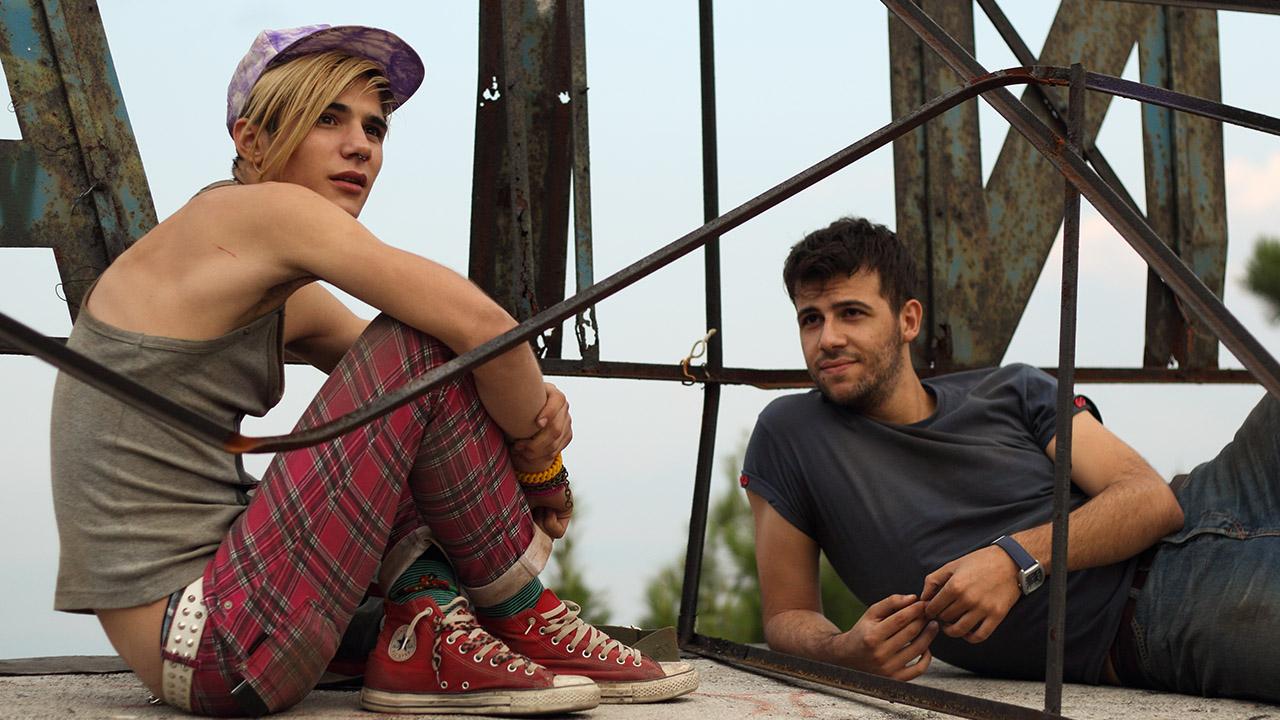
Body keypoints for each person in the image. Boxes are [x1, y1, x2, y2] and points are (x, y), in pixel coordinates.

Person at [49, 24, 697, 717]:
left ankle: (432, 632)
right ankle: (522, 613)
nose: (360, 145)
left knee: (434, 363)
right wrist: (541, 463)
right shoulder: (257, 214)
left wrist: (526, 409)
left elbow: (450, 394)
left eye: (374, 127)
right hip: (213, 640)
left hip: (237, 624)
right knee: (424, 333)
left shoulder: (255, 269)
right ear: (252, 141)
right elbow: (477, 333)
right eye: (327, 118)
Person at [741, 216, 1280, 703]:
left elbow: (1151, 500)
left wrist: (1013, 561)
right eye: (810, 320)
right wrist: (843, 652)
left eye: (851, 313)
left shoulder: (1014, 388)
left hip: (1223, 492)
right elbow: (787, 613)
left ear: (908, 320)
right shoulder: (791, 435)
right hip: (1162, 616)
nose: (828, 338)